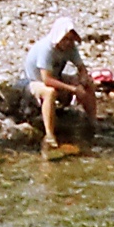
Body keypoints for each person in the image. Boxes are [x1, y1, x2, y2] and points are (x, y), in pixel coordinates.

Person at [26, 16, 98, 145]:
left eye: (71, 39)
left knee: (89, 83)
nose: (68, 42)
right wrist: (73, 89)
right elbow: (46, 79)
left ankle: (93, 122)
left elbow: (81, 68)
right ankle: (49, 134)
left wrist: (83, 79)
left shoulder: (71, 48)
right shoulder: (46, 49)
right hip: (34, 82)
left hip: (57, 77)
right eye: (65, 39)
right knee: (50, 92)